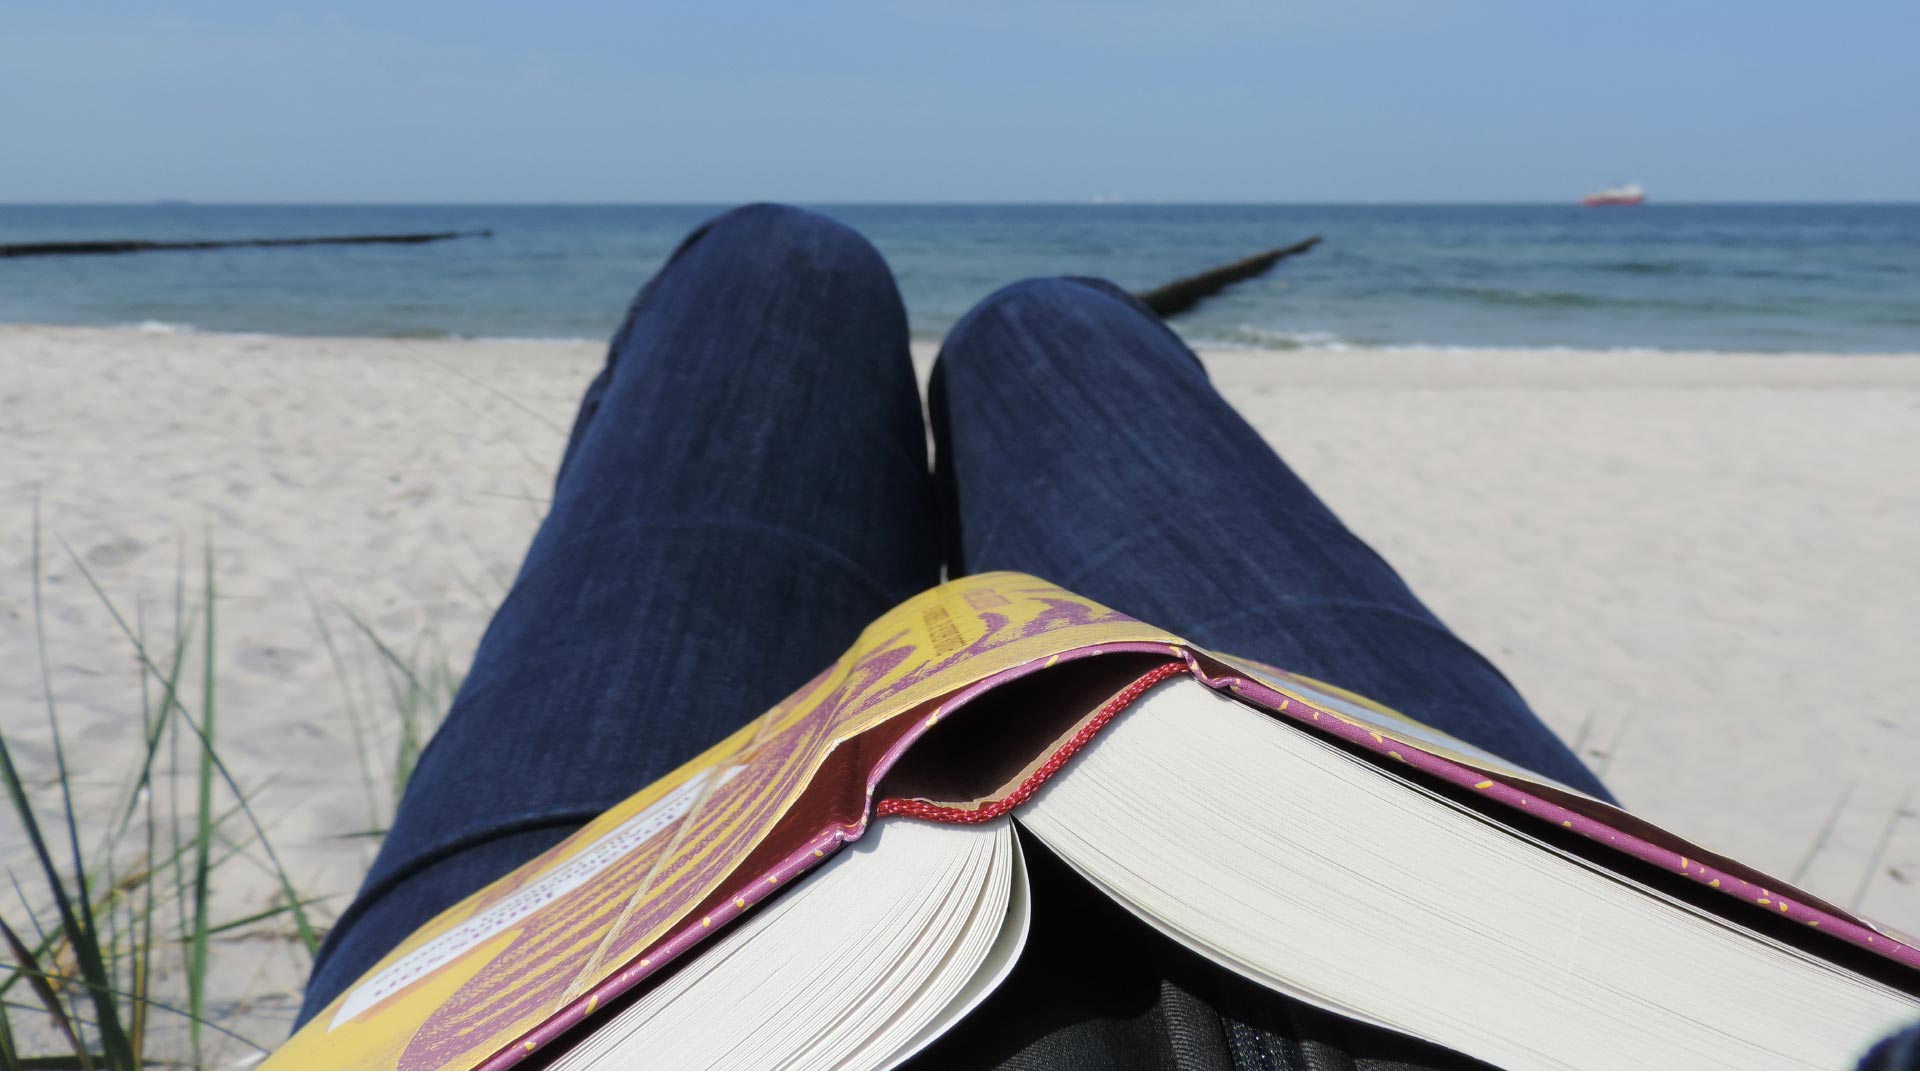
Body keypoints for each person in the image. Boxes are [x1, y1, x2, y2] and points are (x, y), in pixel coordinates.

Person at [293, 204, 1908, 1068]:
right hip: (1547, 1010)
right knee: (1050, 331)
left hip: (568, 1017)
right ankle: (1061, 323)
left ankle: (1036, 325)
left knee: (783, 267)